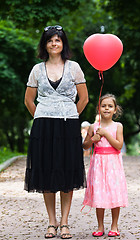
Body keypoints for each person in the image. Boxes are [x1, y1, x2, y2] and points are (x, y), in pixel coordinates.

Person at [24, 25, 88, 239]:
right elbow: (29, 100)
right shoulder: (36, 69)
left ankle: (65, 222)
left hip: (68, 125)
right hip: (43, 126)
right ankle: (51, 222)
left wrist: (70, 114)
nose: (54, 43)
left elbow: (84, 98)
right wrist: (42, 115)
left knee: (66, 171)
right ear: (45, 44)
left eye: (57, 40)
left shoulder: (74, 67)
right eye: (50, 40)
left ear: (63, 44)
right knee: (46, 171)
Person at [82, 93, 128, 237]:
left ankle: (114, 225)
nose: (106, 108)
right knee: (99, 194)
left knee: (114, 193)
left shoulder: (118, 126)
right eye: (103, 106)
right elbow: (85, 146)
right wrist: (93, 139)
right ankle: (100, 226)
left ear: (115, 110)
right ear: (98, 108)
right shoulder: (93, 127)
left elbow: (119, 146)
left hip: (113, 164)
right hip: (98, 164)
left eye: (110, 106)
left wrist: (106, 135)